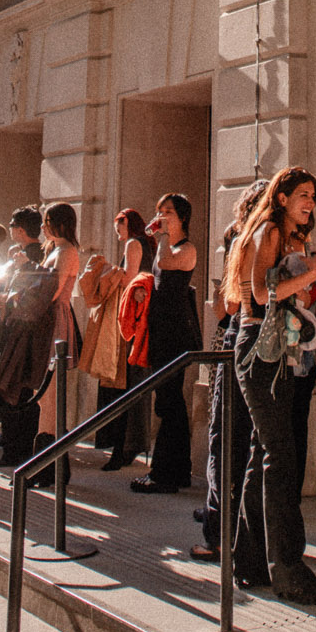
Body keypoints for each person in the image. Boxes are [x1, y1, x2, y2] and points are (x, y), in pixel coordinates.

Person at [227, 167, 316, 605]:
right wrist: (310, 275)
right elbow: (256, 293)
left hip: (284, 349)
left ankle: (249, 560)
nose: (310, 203)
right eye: (303, 195)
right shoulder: (269, 230)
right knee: (280, 456)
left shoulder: (293, 237)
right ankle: (287, 567)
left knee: (264, 453)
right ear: (283, 197)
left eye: (314, 196)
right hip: (261, 347)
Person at [192, 182, 263, 562]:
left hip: (237, 342)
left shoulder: (241, 239)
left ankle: (218, 533)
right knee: (252, 442)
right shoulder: (280, 237)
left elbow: (225, 306)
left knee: (224, 437)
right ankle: (247, 532)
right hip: (268, 350)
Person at [132, 193, 201, 495]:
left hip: (175, 333)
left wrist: (159, 235)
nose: (162, 216)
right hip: (160, 330)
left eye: (168, 211)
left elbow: (165, 262)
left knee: (170, 401)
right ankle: (175, 470)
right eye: (159, 210)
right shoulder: (166, 246)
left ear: (182, 217)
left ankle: (165, 473)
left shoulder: (185, 249)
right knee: (167, 400)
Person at [0, 207, 58, 471]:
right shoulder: (42, 253)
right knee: (23, 389)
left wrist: (3, 299)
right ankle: (20, 448)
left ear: (19, 230)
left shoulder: (29, 257)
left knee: (15, 388)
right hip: (28, 329)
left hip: (22, 329)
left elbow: (24, 293)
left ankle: (15, 450)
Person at [93, 208, 150, 472]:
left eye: (118, 227)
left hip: (129, 318)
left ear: (126, 223)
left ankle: (122, 446)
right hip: (140, 317)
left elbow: (129, 278)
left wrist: (106, 271)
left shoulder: (133, 243)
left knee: (122, 380)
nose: (117, 234)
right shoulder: (146, 243)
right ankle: (126, 444)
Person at [31, 204, 81, 473]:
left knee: (49, 392)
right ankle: (49, 462)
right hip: (46, 319)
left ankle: (47, 464)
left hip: (54, 320)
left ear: (60, 223)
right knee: (43, 394)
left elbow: (52, 291)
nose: (42, 227)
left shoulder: (67, 251)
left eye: (47, 221)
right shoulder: (54, 249)